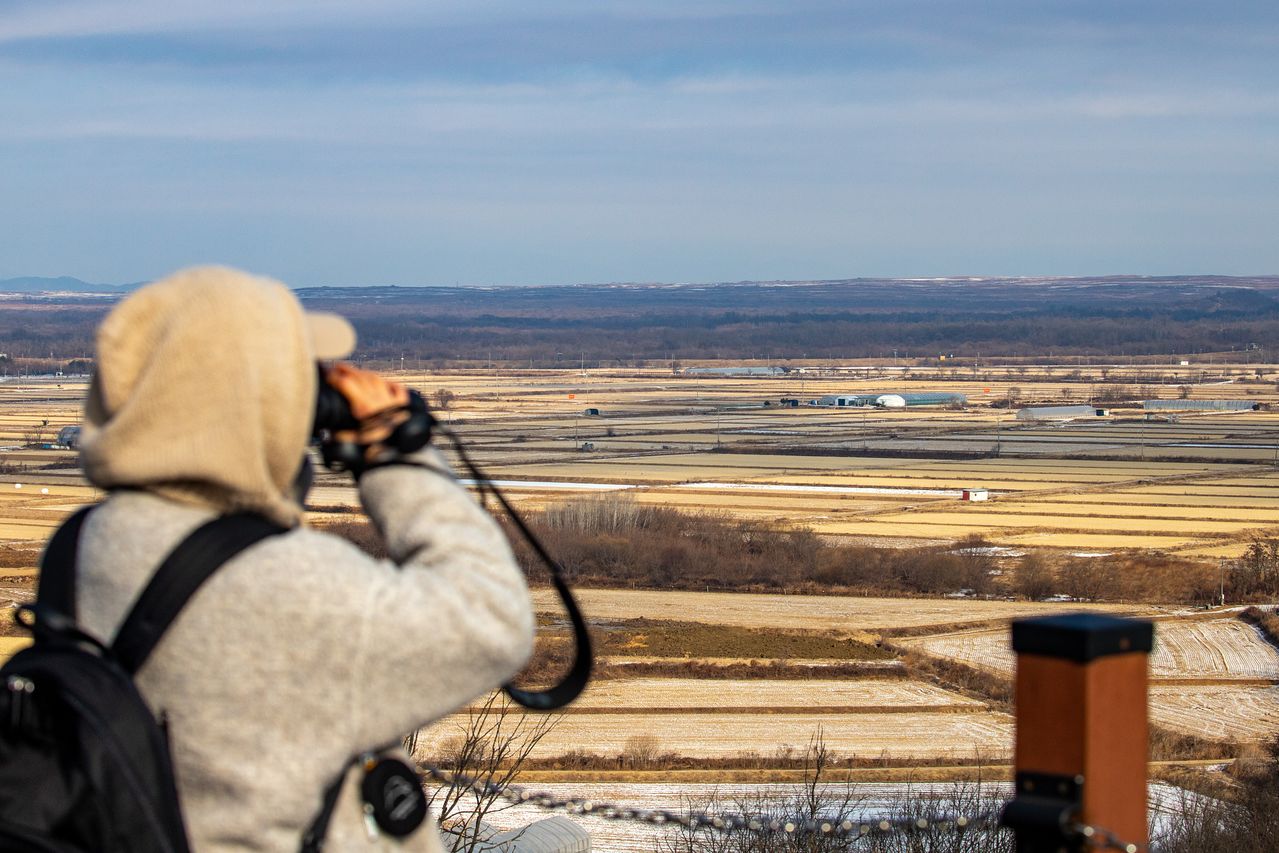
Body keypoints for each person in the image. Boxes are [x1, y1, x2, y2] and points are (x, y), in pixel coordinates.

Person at [71, 266, 534, 852]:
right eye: (304, 380)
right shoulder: (290, 581)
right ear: (266, 402)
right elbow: (494, 620)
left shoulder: (84, 544)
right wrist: (394, 452)